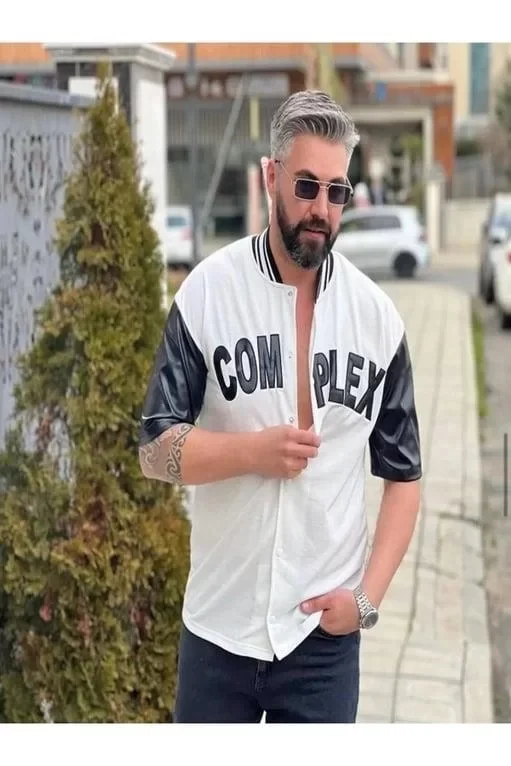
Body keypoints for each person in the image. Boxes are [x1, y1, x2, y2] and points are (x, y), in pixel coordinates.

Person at [138, 89, 422, 724]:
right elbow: (154, 449)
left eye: (337, 191)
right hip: (218, 628)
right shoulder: (207, 294)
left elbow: (404, 479)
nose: (321, 208)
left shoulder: (377, 320)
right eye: (306, 186)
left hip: (321, 642)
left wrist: (366, 599)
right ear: (270, 176)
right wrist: (251, 453)